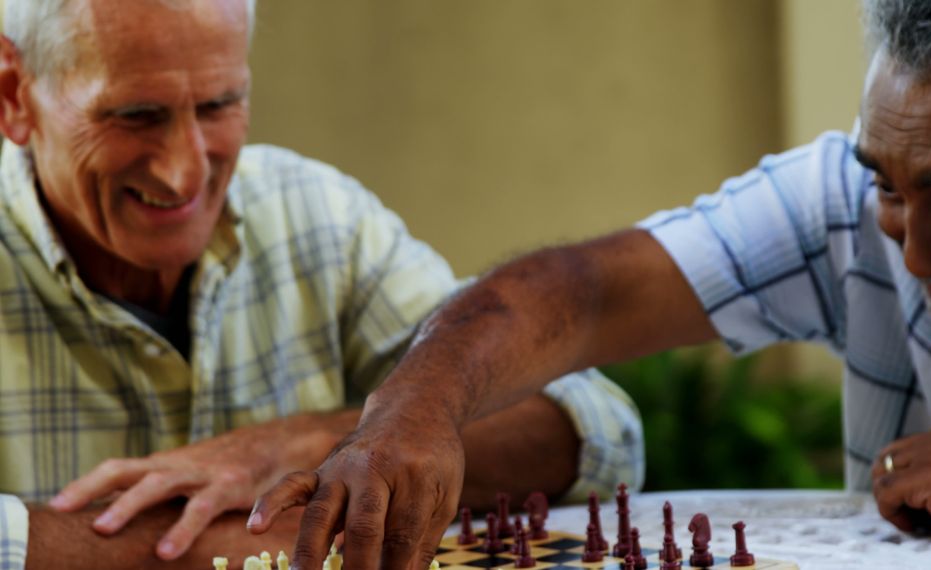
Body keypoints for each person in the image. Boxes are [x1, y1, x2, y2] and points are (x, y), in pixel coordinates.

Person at [251, 0, 931, 567]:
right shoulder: (839, 203)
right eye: (890, 189)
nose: (915, 249)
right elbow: (582, 291)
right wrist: (411, 414)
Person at [0, 0, 645, 568]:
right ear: (13, 95)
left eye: (220, 104)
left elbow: (596, 432)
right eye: (136, 115)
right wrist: (178, 549)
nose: (184, 170)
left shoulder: (318, 218)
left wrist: (314, 444)